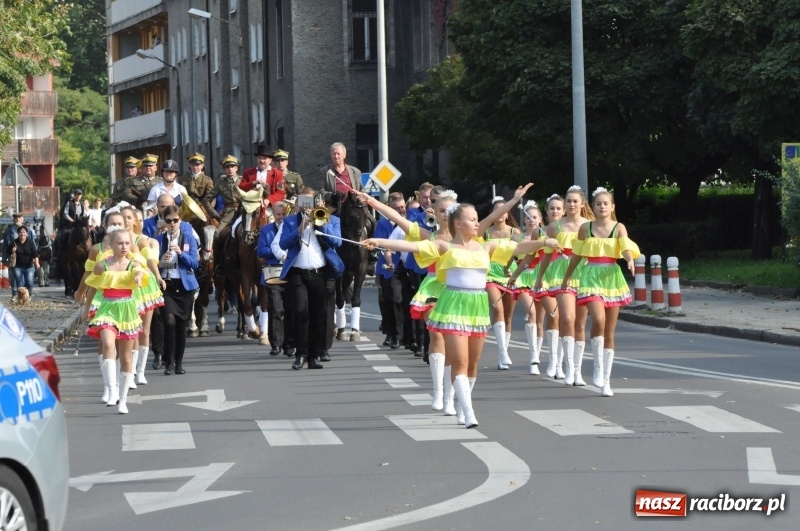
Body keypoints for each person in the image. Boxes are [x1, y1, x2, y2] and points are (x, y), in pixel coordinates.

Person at [363, 192, 558, 428]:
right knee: (460, 361)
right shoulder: (443, 245)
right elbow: (411, 245)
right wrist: (380, 242)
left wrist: (544, 242)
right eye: (472, 219)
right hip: (452, 304)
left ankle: (461, 402)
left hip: (476, 307)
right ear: (458, 223)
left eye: (478, 219)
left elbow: (518, 247)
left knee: (473, 364)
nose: (478, 223)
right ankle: (468, 411)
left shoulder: (486, 247)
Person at [561, 188, 639, 397]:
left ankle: (605, 380)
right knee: (598, 318)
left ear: (612, 207)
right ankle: (596, 366)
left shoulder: (618, 227)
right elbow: (577, 255)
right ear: (592, 207)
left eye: (606, 203)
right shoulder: (586, 228)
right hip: (591, 276)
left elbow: (625, 247)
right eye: (598, 204)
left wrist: (630, 259)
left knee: (610, 332)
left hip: (612, 277)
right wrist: (567, 277)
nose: (602, 206)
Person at [273, 186, 344, 370]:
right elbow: (282, 244)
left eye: (309, 202)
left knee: (318, 316)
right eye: (302, 202)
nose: (306, 206)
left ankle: (314, 355)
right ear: (297, 203)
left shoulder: (329, 219)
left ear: (316, 202)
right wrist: (299, 229)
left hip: (320, 273)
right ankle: (301, 354)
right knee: (300, 312)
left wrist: (321, 221)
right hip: (298, 274)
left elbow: (337, 242)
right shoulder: (289, 221)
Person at [83, 226, 146, 414]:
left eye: (127, 243)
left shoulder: (132, 264)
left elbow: (138, 273)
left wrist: (138, 275)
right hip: (107, 308)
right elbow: (93, 286)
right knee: (108, 344)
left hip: (127, 309)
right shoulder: (102, 265)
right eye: (120, 243)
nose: (124, 246)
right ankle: (111, 389)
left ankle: (123, 399)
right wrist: (86, 308)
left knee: (126, 357)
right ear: (111, 245)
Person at [536, 186, 594, 384]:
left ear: (582, 204)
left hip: (584, 274)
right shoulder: (555, 227)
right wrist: (539, 277)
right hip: (562, 275)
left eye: (575, 201)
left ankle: (577, 370)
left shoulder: (589, 226)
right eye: (568, 201)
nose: (571, 205)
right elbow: (546, 256)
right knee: (567, 318)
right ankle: (568, 367)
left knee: (580, 323)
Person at [156, 204, 200, 375]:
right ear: (164, 222)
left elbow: (195, 264)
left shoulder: (188, 238)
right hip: (167, 285)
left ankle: (178, 363)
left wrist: (181, 253)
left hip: (184, 286)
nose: (173, 223)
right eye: (169, 221)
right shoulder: (159, 240)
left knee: (182, 326)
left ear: (180, 220)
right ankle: (168, 362)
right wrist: (161, 260)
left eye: (175, 220)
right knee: (169, 322)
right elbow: (152, 265)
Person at [508, 201, 547, 374]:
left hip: (541, 276)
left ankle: (536, 356)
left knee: (540, 320)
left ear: (540, 219)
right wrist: (509, 270)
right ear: (524, 220)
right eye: (528, 217)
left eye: (535, 217)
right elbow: (510, 256)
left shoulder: (545, 237)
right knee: (530, 313)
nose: (531, 220)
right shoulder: (517, 238)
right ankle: (532, 356)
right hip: (523, 276)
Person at [484, 196, 522, 370]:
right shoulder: (486, 232)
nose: (500, 214)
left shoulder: (515, 233)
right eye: (496, 210)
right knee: (497, 308)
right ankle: (502, 352)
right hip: (490, 273)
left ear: (507, 214)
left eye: (503, 211)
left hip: (508, 274)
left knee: (507, 315)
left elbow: (520, 255)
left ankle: (503, 351)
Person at [257, 201, 293, 356]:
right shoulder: (266, 230)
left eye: (284, 214)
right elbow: (261, 251)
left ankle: (289, 344)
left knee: (291, 310)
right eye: (278, 214)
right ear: (274, 215)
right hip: (273, 272)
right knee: (276, 309)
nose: (281, 217)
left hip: (290, 273)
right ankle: (276, 343)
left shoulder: (292, 228)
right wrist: (277, 252)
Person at [240, 144, 285, 223]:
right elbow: (241, 188)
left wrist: (268, 200)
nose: (261, 161)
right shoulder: (248, 172)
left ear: (270, 160)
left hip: (268, 208)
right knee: (235, 228)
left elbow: (281, 192)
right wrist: (253, 183)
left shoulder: (277, 174)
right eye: (259, 158)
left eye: (264, 158)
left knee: (274, 225)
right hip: (250, 206)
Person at [3, 212, 36, 302]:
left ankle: (26, 295)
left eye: (19, 218)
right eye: (16, 218)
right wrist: (4, 259)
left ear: (22, 219)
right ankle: (14, 294)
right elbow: (5, 246)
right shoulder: (9, 231)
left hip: (27, 258)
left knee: (28, 279)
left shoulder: (29, 231)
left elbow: (33, 244)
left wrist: (35, 257)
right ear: (13, 220)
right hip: (14, 259)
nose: (18, 220)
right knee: (15, 278)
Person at [208, 155, 243, 237]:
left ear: (236, 168)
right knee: (216, 235)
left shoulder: (243, 180)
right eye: (227, 167)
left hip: (243, 211)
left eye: (232, 166)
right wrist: (214, 214)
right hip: (228, 213)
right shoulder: (220, 183)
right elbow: (206, 200)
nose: (230, 169)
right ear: (224, 169)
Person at [178, 153, 217, 217]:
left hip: (201, 207)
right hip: (185, 207)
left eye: (197, 165)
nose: (195, 167)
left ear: (202, 165)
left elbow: (210, 197)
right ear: (190, 165)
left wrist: (205, 209)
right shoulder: (182, 178)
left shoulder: (207, 180)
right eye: (193, 165)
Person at [10, 226, 39, 300]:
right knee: (20, 283)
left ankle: (28, 296)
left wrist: (37, 262)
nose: (22, 234)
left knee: (29, 282)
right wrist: (13, 250)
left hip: (29, 266)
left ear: (26, 234)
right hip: (17, 267)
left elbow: (35, 254)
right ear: (18, 234)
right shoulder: (14, 242)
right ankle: (21, 298)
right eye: (20, 232)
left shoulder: (30, 242)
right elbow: (8, 252)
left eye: (24, 232)